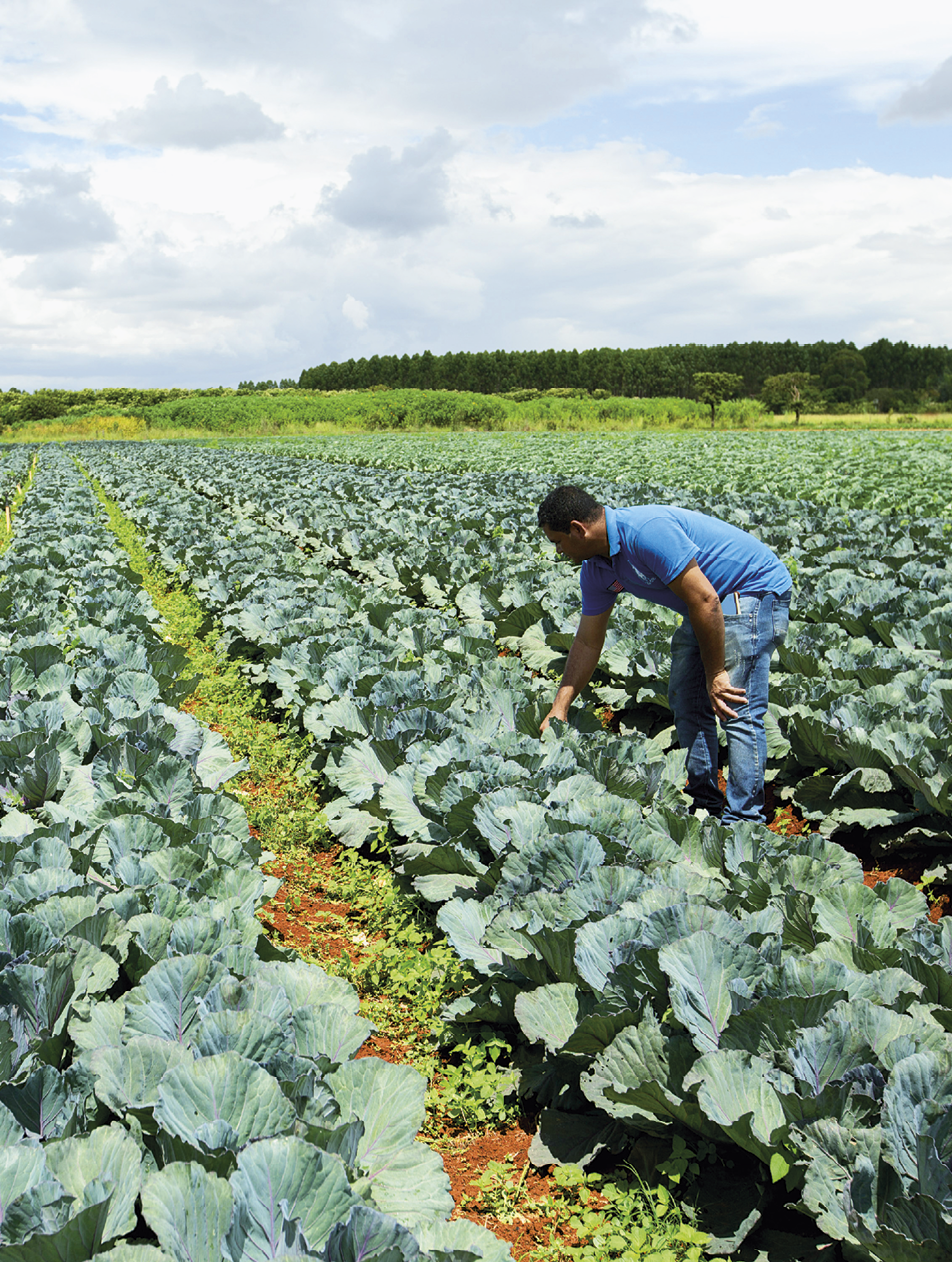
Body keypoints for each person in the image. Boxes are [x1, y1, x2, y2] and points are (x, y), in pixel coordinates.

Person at [537, 485, 792, 824]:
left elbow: (706, 600)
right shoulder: (596, 570)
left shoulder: (646, 531)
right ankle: (705, 802)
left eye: (557, 542)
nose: (558, 551)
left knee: (734, 704)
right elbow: (586, 643)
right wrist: (560, 707)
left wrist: (716, 674)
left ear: (577, 529)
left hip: (749, 592)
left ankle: (744, 820)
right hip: (705, 604)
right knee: (686, 698)